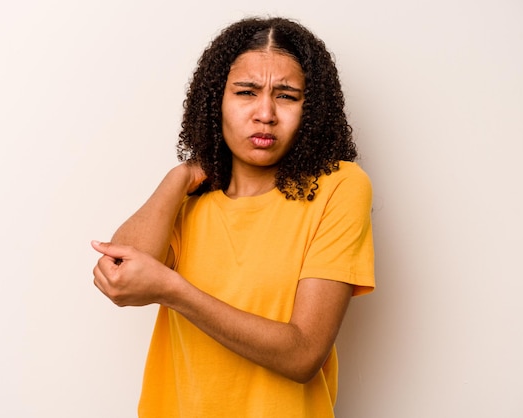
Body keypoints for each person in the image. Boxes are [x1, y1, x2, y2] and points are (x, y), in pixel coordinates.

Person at [91, 16, 375, 418]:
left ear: (311, 110)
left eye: (287, 96)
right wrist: (181, 175)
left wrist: (174, 291)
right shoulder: (188, 200)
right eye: (246, 92)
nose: (265, 113)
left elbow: (303, 354)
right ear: (216, 102)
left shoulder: (338, 187)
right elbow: (118, 273)